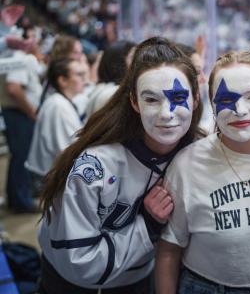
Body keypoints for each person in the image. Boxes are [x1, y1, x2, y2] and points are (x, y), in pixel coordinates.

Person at [37, 37, 203, 294]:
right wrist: (147, 224)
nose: (167, 113)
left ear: (196, 98)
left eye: (179, 97)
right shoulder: (94, 166)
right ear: (134, 102)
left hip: (137, 280)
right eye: (151, 100)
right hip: (71, 285)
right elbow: (79, 264)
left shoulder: (199, 152)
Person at [154, 51, 250, 294]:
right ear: (212, 103)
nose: (240, 110)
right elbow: (169, 250)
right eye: (226, 99)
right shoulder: (188, 164)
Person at [0, 18, 44, 213]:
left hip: (17, 113)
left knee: (19, 157)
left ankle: (16, 198)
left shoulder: (19, 57)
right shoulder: (19, 57)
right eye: (33, 37)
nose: (36, 41)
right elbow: (14, 88)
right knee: (22, 158)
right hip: (19, 114)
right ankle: (22, 201)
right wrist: (31, 111)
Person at [25, 58, 87, 190]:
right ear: (62, 80)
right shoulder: (59, 106)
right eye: (79, 75)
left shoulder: (58, 101)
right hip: (50, 176)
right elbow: (69, 149)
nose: (84, 79)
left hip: (48, 173)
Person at [84, 40, 136, 118]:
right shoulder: (114, 92)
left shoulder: (102, 87)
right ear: (118, 61)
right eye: (133, 57)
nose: (138, 61)